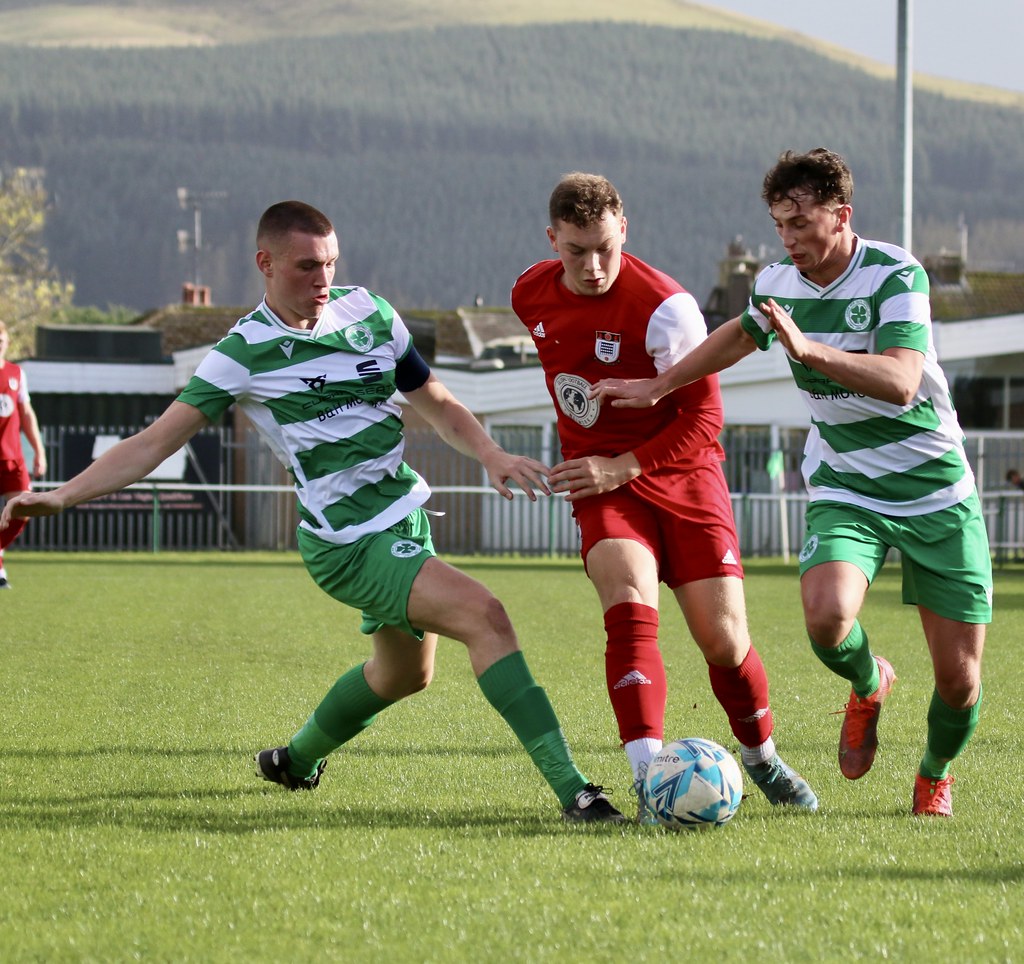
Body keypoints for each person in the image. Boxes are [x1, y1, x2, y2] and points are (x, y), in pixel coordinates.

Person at [1, 200, 625, 825]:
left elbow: (432, 397)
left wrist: (488, 452)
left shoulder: (370, 313)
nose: (322, 281)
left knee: (405, 675)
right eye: (306, 267)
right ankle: (575, 792)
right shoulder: (243, 351)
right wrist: (62, 494)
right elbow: (152, 443)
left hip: (402, 518)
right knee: (487, 618)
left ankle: (294, 761)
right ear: (265, 265)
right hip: (349, 542)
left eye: (330, 263)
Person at [593, 149, 991, 817]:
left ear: (842, 215)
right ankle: (870, 682)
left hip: (935, 491)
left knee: (959, 680)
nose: (789, 239)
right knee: (827, 618)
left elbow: (899, 381)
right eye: (780, 224)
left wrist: (809, 351)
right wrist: (661, 382)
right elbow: (740, 335)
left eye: (801, 223)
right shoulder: (781, 279)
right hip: (847, 485)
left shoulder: (896, 273)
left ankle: (933, 774)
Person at [511, 172, 817, 823]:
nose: (592, 267)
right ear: (552, 240)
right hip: (601, 480)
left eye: (604, 247)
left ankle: (760, 756)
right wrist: (606, 469)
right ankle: (653, 782)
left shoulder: (665, 307)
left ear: (625, 228)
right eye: (575, 251)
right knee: (626, 601)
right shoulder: (528, 294)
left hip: (681, 474)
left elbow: (704, 420)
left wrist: (627, 464)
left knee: (725, 642)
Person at [0, 320, 47, 589]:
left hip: (12, 458)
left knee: (23, 512)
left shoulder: (17, 373)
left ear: (7, 343)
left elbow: (27, 414)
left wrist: (39, 451)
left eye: (0, 339)